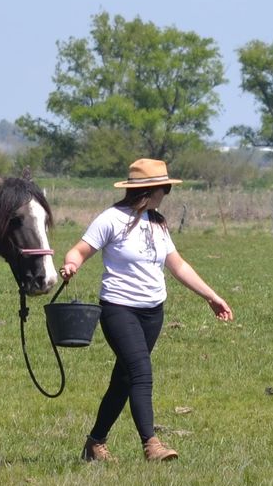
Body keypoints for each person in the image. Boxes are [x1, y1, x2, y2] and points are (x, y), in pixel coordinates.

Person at [59, 158, 233, 463]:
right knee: (141, 371)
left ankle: (95, 443)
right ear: (150, 190)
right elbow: (79, 250)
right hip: (118, 308)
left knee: (125, 378)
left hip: (153, 312)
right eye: (165, 188)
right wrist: (71, 264)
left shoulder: (157, 223)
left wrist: (211, 296)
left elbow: (178, 265)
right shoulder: (111, 219)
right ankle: (151, 444)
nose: (166, 193)